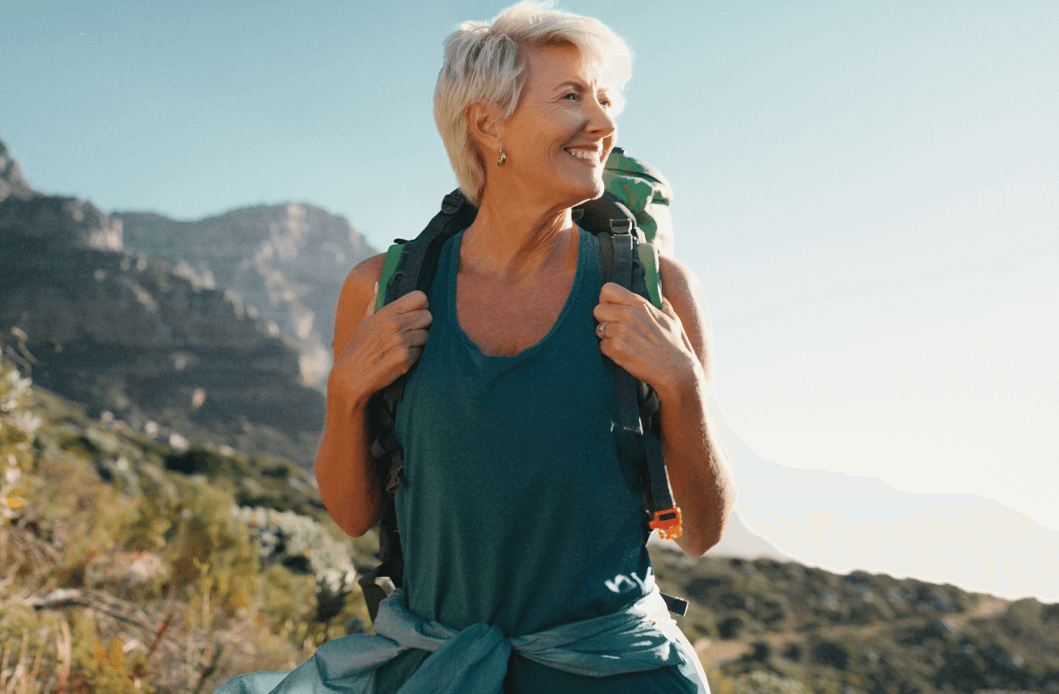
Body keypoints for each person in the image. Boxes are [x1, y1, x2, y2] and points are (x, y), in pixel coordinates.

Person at [215, 3, 736, 692]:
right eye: (572, 97)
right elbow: (352, 514)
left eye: (605, 101)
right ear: (488, 122)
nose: (604, 125)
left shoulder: (656, 290)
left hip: (617, 674)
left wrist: (683, 387)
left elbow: (700, 532)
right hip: (431, 670)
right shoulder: (383, 289)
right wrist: (344, 396)